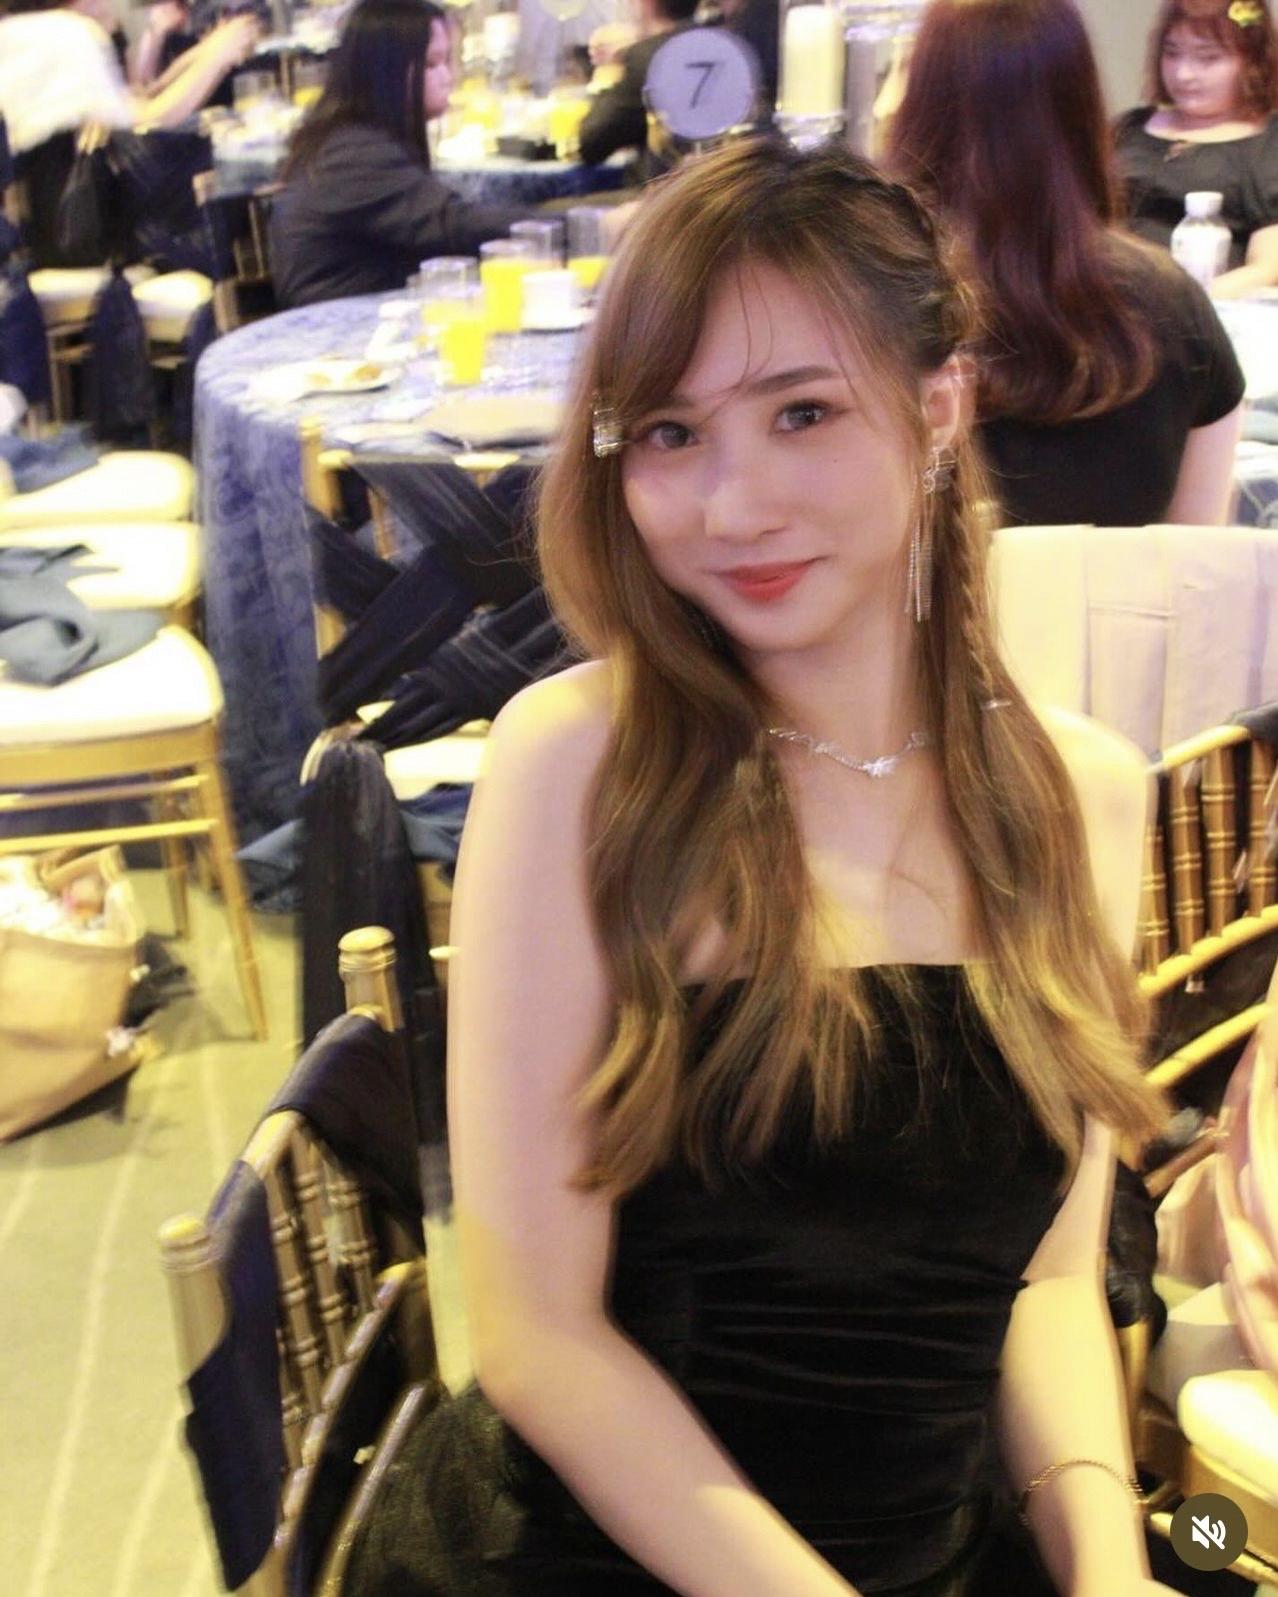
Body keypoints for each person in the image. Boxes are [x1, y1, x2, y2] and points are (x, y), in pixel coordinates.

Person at [344, 137, 1178, 1597]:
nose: (731, 506)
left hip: (943, 1540)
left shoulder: (1085, 799)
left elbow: (1042, 1281)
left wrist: (1107, 1563)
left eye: (801, 413)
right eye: (670, 433)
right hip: (603, 1551)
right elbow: (538, 1341)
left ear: (937, 408)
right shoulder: (577, 771)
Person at [886, 0, 1245, 529]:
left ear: (920, 102)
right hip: (1124, 587)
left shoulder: (869, 295)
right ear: (1081, 108)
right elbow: (1196, 555)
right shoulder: (1175, 304)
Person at [269, 0, 531, 307]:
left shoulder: (348, 135)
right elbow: (449, 224)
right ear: (386, 72)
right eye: (432, 64)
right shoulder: (355, 151)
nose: (449, 77)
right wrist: (554, 226)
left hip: (364, 310)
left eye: (448, 60)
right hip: (337, 324)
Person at [0, 0, 258, 266]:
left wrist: (210, 52)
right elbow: (150, 119)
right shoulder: (64, 32)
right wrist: (217, 56)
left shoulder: (22, 33)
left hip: (53, 227)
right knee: (231, 181)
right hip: (87, 225)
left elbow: (140, 99)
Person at [1115, 0, 1278, 298]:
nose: (1183, 74)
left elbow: (1267, 269)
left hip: (1205, 307)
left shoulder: (1268, 144)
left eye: (1208, 58)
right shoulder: (1129, 127)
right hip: (1106, 293)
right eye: (1172, 53)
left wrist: (1179, 302)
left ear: (1252, 59)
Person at [579, 0, 701, 174]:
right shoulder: (721, 39)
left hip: (668, 183)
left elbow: (593, 143)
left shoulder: (645, 56)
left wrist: (611, 70)